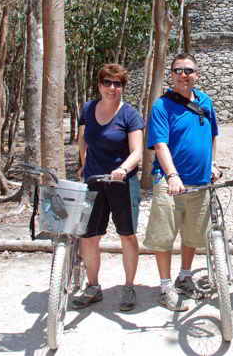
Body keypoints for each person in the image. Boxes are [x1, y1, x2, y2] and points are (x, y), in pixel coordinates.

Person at [143, 53, 221, 311]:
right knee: (164, 237)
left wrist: (212, 163)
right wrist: (172, 174)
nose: (183, 75)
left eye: (189, 70)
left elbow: (211, 135)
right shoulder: (162, 106)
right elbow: (160, 144)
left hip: (200, 182)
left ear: (197, 74)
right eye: (178, 70)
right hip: (170, 183)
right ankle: (166, 288)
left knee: (193, 235)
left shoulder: (206, 102)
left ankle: (185, 277)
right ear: (172, 74)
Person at [73, 63, 145, 312]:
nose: (112, 88)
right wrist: (82, 163)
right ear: (99, 84)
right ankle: (93, 286)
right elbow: (83, 138)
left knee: (127, 235)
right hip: (94, 182)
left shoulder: (130, 115)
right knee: (90, 236)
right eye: (107, 82)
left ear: (123, 87)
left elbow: (137, 151)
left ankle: (128, 287)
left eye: (118, 84)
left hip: (121, 182)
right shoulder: (87, 109)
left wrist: (123, 169)